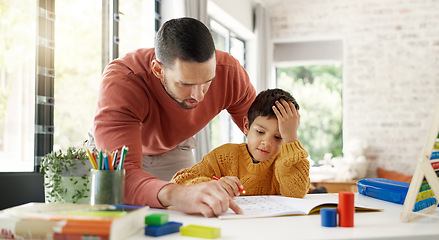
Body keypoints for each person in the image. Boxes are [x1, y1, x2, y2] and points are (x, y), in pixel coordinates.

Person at [92, 17, 256, 217]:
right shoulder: (123, 82)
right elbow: (120, 176)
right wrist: (179, 194)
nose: (199, 95)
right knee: (122, 219)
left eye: (207, 81)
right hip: (117, 154)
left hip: (174, 145)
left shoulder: (229, 72)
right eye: (186, 84)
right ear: (158, 70)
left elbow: (262, 131)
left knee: (193, 214)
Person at [172, 88, 310, 198]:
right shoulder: (224, 156)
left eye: (278, 137)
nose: (267, 143)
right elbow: (179, 182)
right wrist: (213, 184)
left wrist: (291, 138)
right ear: (246, 126)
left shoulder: (288, 161)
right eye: (260, 132)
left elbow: (296, 193)